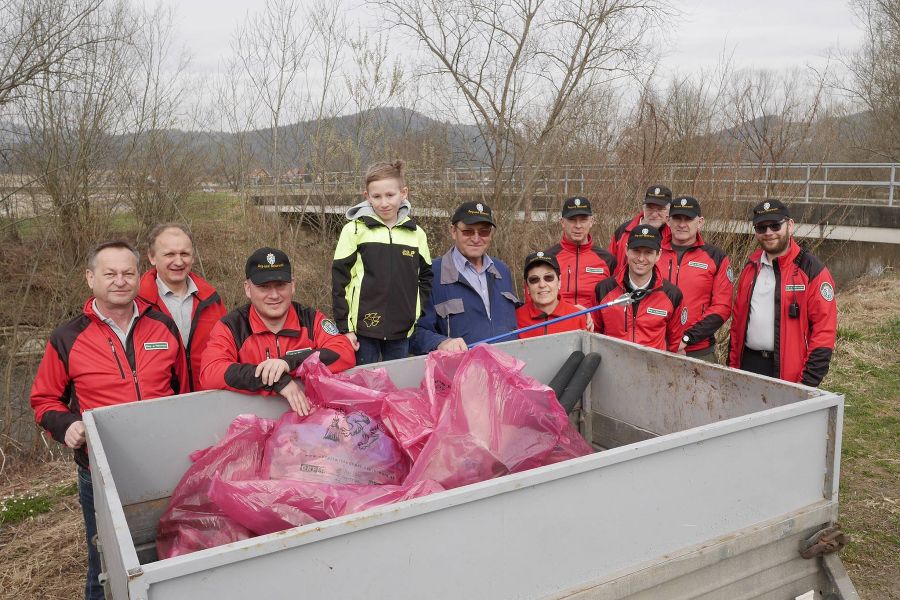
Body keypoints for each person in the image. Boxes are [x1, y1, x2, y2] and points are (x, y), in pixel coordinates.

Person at [30, 241, 187, 600]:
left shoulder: (162, 325)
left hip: (163, 465)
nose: (120, 281)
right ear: (90, 278)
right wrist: (66, 425)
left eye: (128, 273)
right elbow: (43, 400)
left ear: (139, 276)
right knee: (105, 561)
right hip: (100, 472)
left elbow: (181, 389)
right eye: (110, 274)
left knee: (168, 549)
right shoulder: (67, 337)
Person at [200, 247, 356, 415]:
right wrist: (274, 380)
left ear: (293, 286)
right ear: (247, 288)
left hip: (311, 423)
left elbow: (344, 351)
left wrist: (289, 362)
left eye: (281, 285)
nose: (274, 295)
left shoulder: (311, 318)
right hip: (254, 423)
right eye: (264, 287)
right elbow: (210, 372)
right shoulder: (231, 326)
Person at [332, 161, 432, 365]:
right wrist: (345, 328)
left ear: (403, 193)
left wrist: (414, 315)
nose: (384, 203)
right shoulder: (354, 230)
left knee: (395, 389)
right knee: (364, 387)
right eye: (376, 197)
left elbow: (425, 277)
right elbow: (340, 281)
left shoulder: (417, 234)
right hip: (363, 330)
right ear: (367, 196)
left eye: (390, 195)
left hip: (401, 330)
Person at [728, 200, 837, 386]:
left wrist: (808, 383)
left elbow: (824, 331)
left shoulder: (812, 270)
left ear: (790, 225)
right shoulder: (750, 267)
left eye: (775, 225)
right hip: (748, 365)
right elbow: (737, 323)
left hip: (791, 374)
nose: (769, 233)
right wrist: (732, 366)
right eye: (761, 228)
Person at [411, 201, 519, 353]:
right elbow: (413, 333)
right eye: (468, 231)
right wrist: (440, 342)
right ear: (453, 231)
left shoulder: (502, 270)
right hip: (458, 372)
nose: (476, 239)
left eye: (484, 232)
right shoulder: (431, 274)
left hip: (506, 370)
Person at [138, 223, 227, 391]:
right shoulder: (137, 304)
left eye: (184, 254)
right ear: (152, 257)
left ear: (193, 257)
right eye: (170, 254)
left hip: (208, 399)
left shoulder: (212, 301)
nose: (178, 261)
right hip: (162, 404)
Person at [659, 196, 733, 362]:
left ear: (700, 222)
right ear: (668, 221)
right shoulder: (652, 253)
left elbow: (722, 307)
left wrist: (686, 339)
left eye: (688, 219)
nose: (682, 224)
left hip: (699, 351)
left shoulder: (716, 257)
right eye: (677, 218)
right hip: (655, 346)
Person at [593, 225, 685, 352]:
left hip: (652, 369)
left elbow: (673, 343)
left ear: (658, 255)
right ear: (626, 250)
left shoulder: (672, 295)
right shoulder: (603, 289)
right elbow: (595, 334)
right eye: (636, 251)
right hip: (612, 366)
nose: (641, 258)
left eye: (648, 252)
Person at [543, 196, 616, 308]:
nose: (578, 226)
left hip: (594, 324)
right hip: (558, 322)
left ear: (591, 222)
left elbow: (615, 300)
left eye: (583, 220)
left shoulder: (608, 260)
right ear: (562, 222)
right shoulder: (547, 258)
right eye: (572, 220)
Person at [516, 251, 590, 339]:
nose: (542, 285)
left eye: (548, 278)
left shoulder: (578, 317)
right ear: (527, 286)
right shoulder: (515, 318)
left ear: (559, 281)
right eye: (534, 280)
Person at [609, 185, 673, 271]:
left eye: (660, 209)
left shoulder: (674, 235)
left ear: (669, 211)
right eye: (650, 208)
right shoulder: (623, 231)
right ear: (643, 208)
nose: (654, 214)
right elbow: (609, 264)